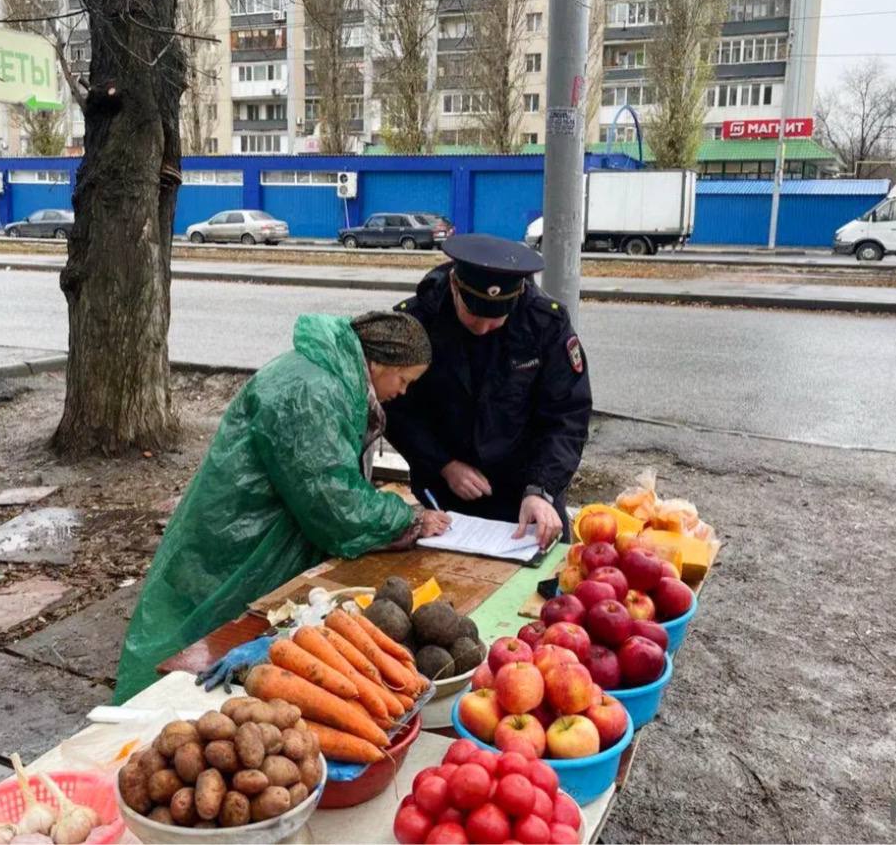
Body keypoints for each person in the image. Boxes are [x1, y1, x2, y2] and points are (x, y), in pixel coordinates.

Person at [114, 311, 450, 702]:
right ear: (378, 363)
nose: (403, 392)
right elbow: (334, 505)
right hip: (241, 535)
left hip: (243, 524)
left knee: (222, 640)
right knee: (205, 638)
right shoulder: (313, 392)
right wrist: (407, 517)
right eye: (404, 380)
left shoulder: (326, 377)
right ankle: (151, 711)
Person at [385, 233, 592, 549]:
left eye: (495, 320)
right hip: (447, 496)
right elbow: (396, 408)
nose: (482, 329)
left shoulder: (544, 323)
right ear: (455, 285)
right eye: (474, 315)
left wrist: (542, 489)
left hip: (527, 495)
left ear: (518, 293)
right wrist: (443, 463)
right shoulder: (417, 321)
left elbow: (567, 416)